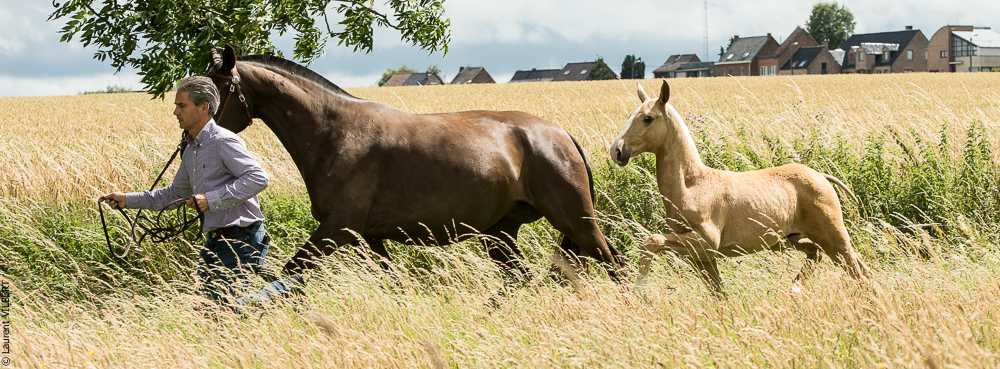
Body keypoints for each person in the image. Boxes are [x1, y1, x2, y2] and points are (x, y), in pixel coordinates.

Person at [101, 76, 288, 312]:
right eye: (176, 106)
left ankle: (284, 289)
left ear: (204, 107)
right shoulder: (191, 150)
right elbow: (171, 196)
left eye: (182, 105)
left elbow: (258, 179)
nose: (175, 112)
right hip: (215, 241)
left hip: (242, 237)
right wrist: (126, 200)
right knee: (205, 310)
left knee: (224, 310)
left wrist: (211, 200)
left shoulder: (223, 141)